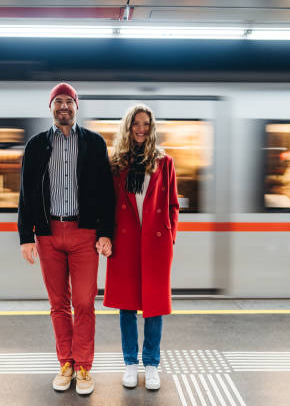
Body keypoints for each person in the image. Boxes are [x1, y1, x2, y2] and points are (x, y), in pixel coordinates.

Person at [17, 83, 115, 395]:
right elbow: (26, 194)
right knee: (58, 303)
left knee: (84, 302)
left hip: (84, 232)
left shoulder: (94, 144)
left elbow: (106, 193)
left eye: (69, 102)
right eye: (58, 101)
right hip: (47, 234)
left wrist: (105, 233)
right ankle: (66, 363)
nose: (64, 107)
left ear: (76, 107)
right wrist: (26, 236)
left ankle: (84, 365)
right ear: (50, 107)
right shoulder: (35, 146)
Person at [104, 104, 179, 390]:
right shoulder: (116, 164)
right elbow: (108, 204)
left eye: (146, 123)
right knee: (126, 306)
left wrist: (169, 236)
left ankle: (151, 364)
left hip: (156, 243)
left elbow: (172, 204)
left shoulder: (165, 162)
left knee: (154, 307)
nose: (141, 128)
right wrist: (106, 235)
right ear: (128, 126)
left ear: (151, 128)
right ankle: (130, 363)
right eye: (136, 123)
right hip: (124, 241)